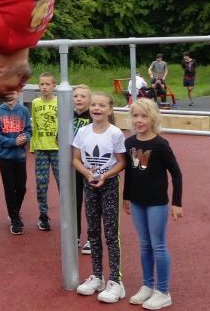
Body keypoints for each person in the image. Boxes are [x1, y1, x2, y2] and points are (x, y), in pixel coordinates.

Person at [124, 99, 183, 310]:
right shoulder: (129, 143)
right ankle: (148, 285)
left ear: (153, 119)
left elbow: (176, 174)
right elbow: (129, 173)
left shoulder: (160, 145)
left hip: (157, 203)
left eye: (144, 116)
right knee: (144, 245)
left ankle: (163, 291)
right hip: (138, 202)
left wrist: (177, 203)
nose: (139, 120)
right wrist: (126, 197)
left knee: (158, 245)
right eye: (136, 116)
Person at [72, 92, 127, 303]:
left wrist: (105, 175)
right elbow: (76, 158)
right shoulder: (83, 132)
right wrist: (86, 173)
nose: (96, 108)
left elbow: (121, 161)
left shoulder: (115, 133)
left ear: (109, 110)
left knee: (111, 233)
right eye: (93, 105)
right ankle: (97, 276)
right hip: (90, 184)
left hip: (109, 185)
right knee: (93, 231)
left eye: (101, 105)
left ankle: (116, 281)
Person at [0, 89, 31, 235]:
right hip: (4, 157)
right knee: (9, 188)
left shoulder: (24, 111)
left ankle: (15, 210)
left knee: (21, 187)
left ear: (18, 93)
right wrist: (13, 141)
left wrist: (25, 138)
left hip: (20, 156)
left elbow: (28, 130)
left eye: (12, 92)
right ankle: (15, 219)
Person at [30, 72, 58, 231]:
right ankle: (43, 215)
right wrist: (33, 145)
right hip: (41, 148)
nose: (44, 87)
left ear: (54, 86)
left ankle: (68, 214)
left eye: (48, 84)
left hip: (57, 149)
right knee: (41, 184)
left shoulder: (60, 102)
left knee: (63, 182)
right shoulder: (35, 103)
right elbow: (33, 125)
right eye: (42, 84)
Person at [72, 85, 92, 254]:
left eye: (83, 96)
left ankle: (92, 238)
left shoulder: (93, 117)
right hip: (74, 165)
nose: (78, 99)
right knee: (74, 202)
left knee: (91, 203)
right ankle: (75, 235)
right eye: (76, 96)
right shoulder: (68, 116)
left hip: (91, 166)